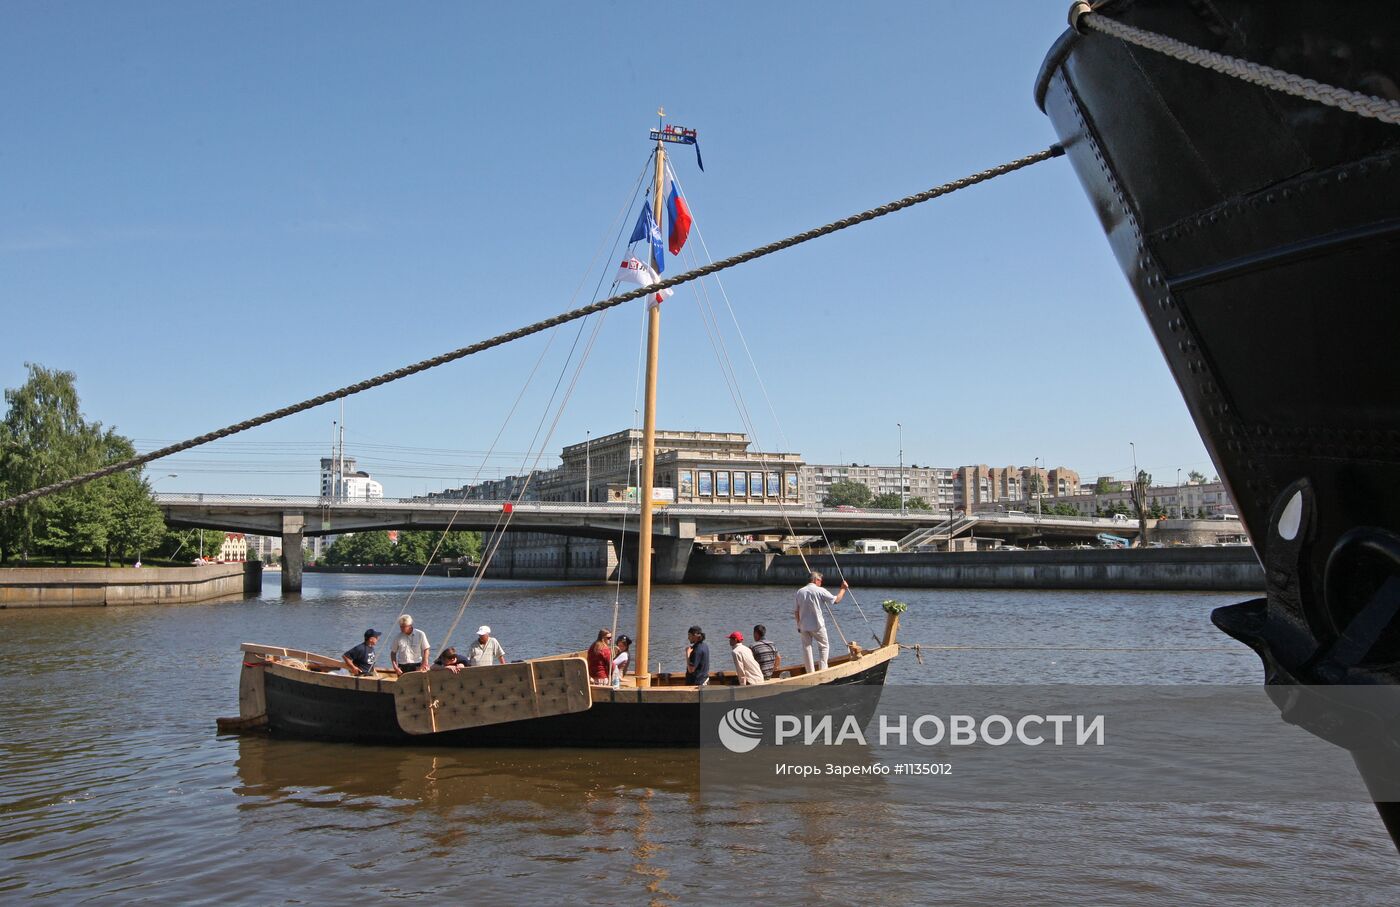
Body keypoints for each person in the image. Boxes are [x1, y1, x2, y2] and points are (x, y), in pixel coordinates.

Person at [794, 571, 848, 673]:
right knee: (824, 646)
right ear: (815, 580)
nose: (821, 583)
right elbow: (836, 600)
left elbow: (796, 611)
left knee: (807, 648)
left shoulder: (800, 592)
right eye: (820, 581)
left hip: (803, 625)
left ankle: (810, 672)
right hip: (817, 625)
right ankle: (823, 670)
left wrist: (798, 625)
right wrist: (843, 589)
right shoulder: (820, 590)